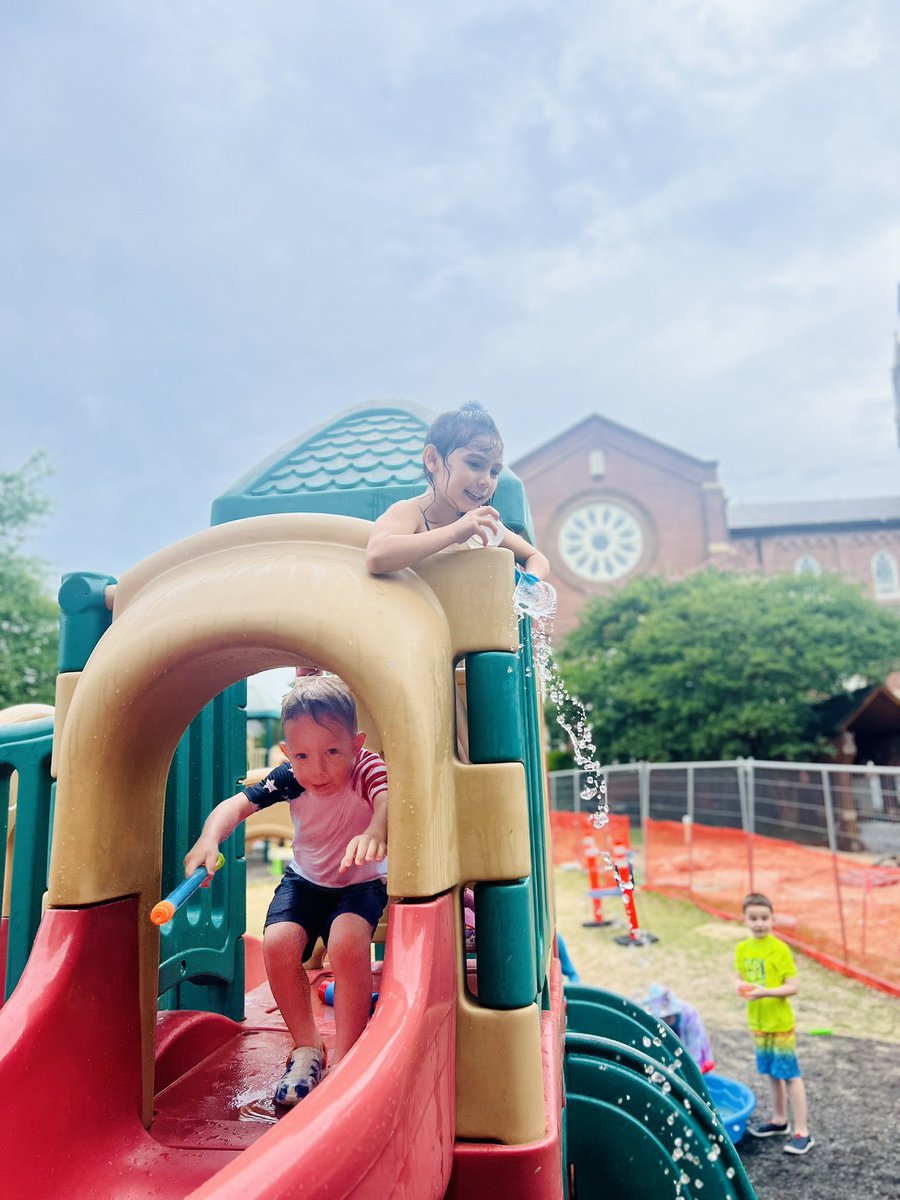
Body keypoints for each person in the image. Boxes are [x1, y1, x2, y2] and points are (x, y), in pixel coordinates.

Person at [184, 675, 388, 1106]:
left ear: (357, 742)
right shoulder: (292, 777)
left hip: (359, 882)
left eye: (333, 751)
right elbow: (235, 806)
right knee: (277, 945)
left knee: (347, 943)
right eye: (302, 755)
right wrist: (208, 840)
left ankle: (348, 1055)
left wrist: (375, 828)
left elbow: (388, 798)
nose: (318, 768)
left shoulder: (367, 767)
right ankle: (307, 1047)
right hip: (305, 880)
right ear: (286, 753)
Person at [365, 401, 550, 579]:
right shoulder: (411, 512)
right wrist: (455, 531)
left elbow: (537, 558)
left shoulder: (483, 525)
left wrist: (529, 582)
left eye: (494, 472)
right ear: (433, 459)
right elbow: (377, 555)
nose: (486, 480)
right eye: (475, 464)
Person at [734, 892, 814, 1155]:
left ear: (772, 919)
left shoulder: (779, 949)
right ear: (744, 919)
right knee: (771, 1073)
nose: (759, 923)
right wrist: (740, 987)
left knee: (790, 1075)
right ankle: (779, 1121)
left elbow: (793, 986)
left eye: (764, 918)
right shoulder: (742, 949)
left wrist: (764, 992)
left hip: (779, 1023)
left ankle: (802, 1131)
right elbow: (738, 978)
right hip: (758, 1022)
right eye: (753, 918)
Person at [642, 983, 714, 1072]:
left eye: (668, 1017)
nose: (665, 1020)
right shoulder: (657, 1021)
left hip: (696, 1051)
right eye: (662, 1018)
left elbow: (695, 1051)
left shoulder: (690, 1016)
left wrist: (695, 1073)